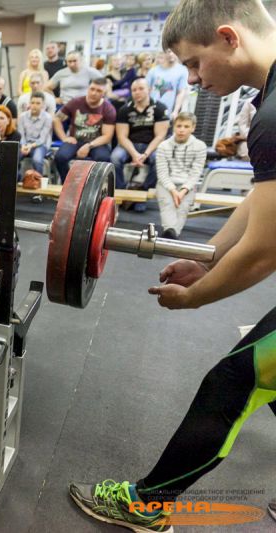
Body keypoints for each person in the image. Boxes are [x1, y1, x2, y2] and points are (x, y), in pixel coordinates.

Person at [69, 2, 276, 531]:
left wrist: (198, 296)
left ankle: (147, 505)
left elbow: (264, 251)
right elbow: (261, 199)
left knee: (235, 382)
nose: (193, 80)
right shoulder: (269, 101)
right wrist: (205, 259)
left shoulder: (273, 117)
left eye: (193, 63)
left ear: (228, 38)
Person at [52, 77, 116, 182]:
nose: (94, 93)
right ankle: (68, 183)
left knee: (103, 158)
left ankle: (93, 186)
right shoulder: (76, 102)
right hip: (75, 140)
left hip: (96, 143)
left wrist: (89, 145)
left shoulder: (108, 108)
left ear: (103, 93)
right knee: (60, 157)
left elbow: (107, 136)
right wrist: (64, 137)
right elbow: (56, 119)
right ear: (88, 88)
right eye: (92, 89)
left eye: (98, 91)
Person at [154, 112, 207, 239]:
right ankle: (171, 232)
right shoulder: (163, 146)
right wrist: (173, 190)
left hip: (187, 185)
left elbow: (196, 172)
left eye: (186, 126)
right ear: (174, 127)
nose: (182, 130)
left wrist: (183, 190)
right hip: (166, 184)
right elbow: (162, 173)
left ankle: (172, 232)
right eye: (179, 126)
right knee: (167, 203)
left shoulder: (200, 146)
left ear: (193, 128)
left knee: (182, 207)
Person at [111, 77, 169, 192]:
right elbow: (122, 137)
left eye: (141, 89)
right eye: (134, 90)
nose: (137, 92)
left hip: (151, 145)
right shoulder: (124, 110)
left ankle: (143, 190)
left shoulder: (160, 108)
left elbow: (160, 136)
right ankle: (120, 190)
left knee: (161, 159)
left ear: (149, 89)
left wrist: (145, 154)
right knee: (115, 158)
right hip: (129, 145)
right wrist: (135, 154)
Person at [17, 92, 53, 177]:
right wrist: (23, 145)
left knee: (37, 159)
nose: (34, 105)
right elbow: (21, 135)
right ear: (29, 103)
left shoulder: (47, 118)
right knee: (13, 157)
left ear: (43, 105)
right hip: (25, 144)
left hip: (41, 145)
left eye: (38, 103)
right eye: (32, 103)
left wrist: (30, 146)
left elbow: (42, 139)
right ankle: (16, 179)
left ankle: (38, 182)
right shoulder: (22, 117)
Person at [146, 50, 189, 119]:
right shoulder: (153, 71)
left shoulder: (182, 71)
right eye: (169, 52)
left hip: (168, 112)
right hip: (151, 110)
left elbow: (181, 92)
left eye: (174, 51)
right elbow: (146, 90)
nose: (171, 54)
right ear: (164, 53)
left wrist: (176, 111)